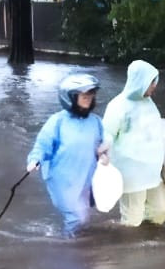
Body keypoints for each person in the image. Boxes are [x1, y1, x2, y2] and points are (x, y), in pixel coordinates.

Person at [27, 73, 109, 237]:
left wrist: (104, 156)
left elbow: (101, 146)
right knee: (77, 218)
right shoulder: (57, 122)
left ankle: (71, 242)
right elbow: (42, 145)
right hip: (62, 180)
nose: (89, 99)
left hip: (85, 179)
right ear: (70, 97)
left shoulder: (96, 122)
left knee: (83, 218)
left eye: (91, 95)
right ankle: (69, 249)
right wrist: (35, 160)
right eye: (84, 95)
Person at [102, 59, 165, 227]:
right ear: (140, 80)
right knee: (132, 220)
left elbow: (156, 131)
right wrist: (102, 161)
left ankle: (150, 241)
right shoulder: (118, 106)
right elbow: (106, 135)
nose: (154, 86)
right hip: (130, 172)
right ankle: (128, 248)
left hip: (152, 171)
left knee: (161, 209)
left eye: (154, 81)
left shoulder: (149, 103)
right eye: (151, 82)